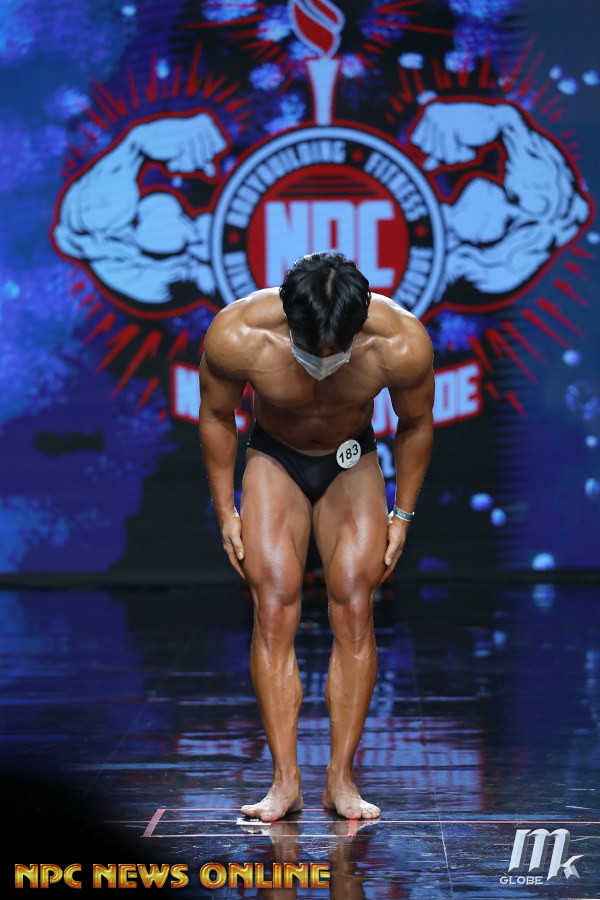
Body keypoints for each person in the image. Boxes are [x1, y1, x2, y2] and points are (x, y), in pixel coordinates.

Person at [198, 251, 434, 822]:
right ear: (288, 316)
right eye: (313, 346)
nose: (324, 360)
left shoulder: (400, 343)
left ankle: (341, 780)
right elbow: (216, 416)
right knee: (274, 604)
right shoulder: (237, 334)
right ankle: (285, 782)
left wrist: (402, 515)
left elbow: (415, 423)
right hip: (274, 457)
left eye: (337, 347)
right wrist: (226, 509)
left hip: (350, 459)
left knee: (354, 603)